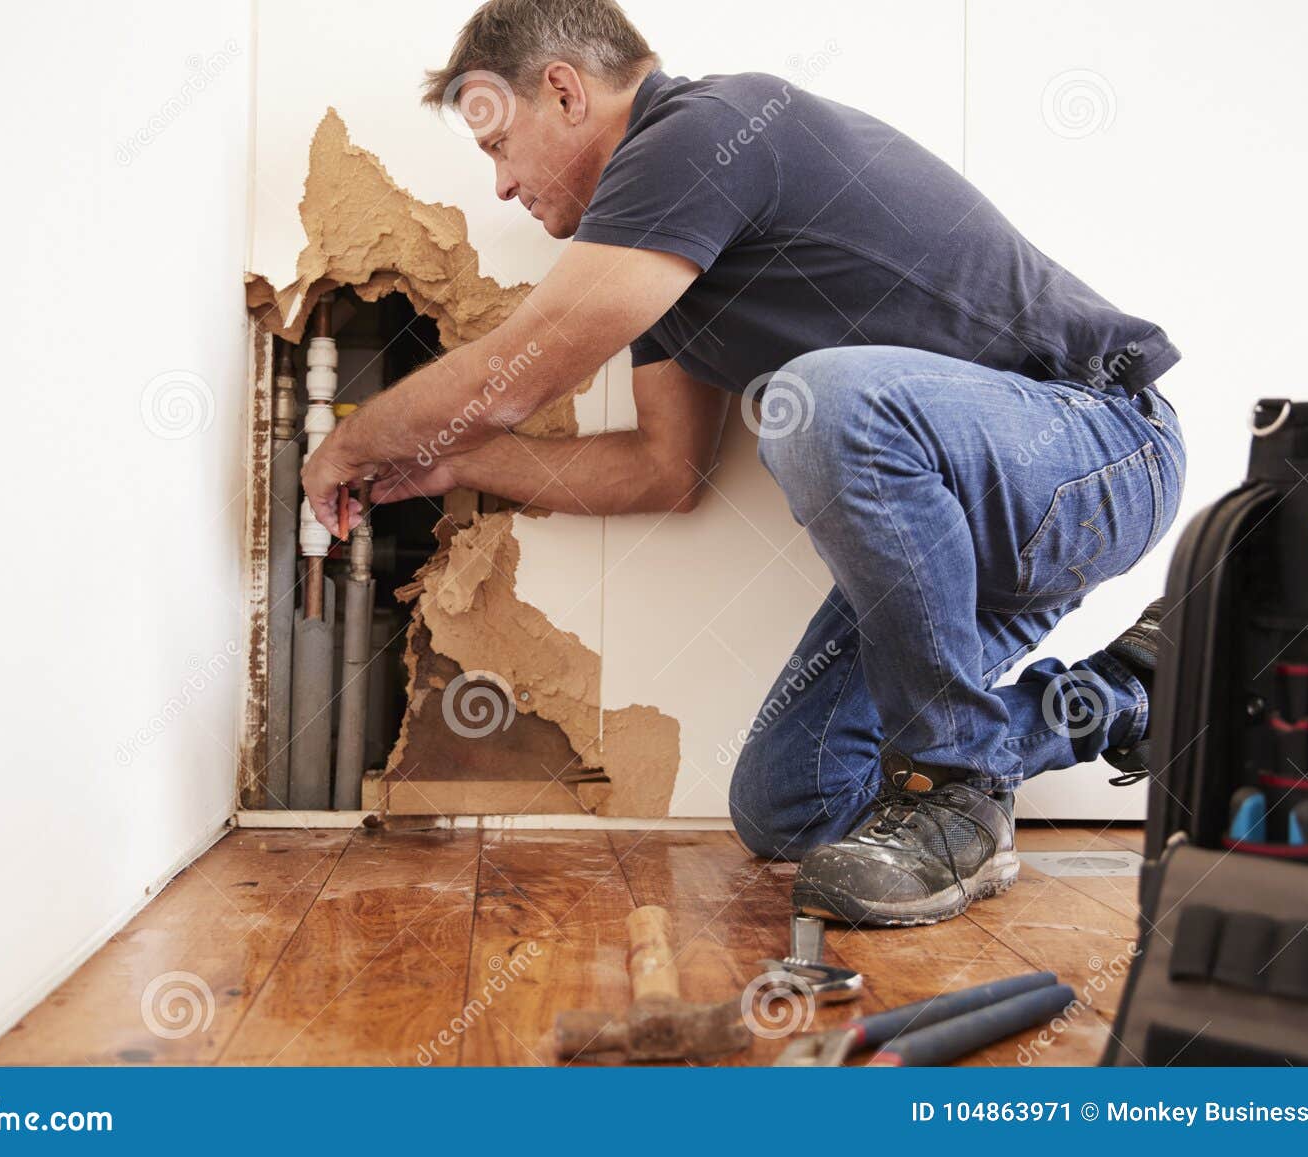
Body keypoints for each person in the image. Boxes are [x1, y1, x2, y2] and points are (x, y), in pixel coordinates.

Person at [301, 0, 1185, 927]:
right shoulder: (663, 266)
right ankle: (1125, 692)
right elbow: (661, 469)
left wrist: (354, 442)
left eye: (497, 147)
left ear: (563, 91)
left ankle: (954, 791)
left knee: (826, 403)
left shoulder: (704, 132)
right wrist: (454, 465)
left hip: (1097, 449)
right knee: (791, 800)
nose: (503, 189)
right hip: (960, 535)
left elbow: (519, 371)